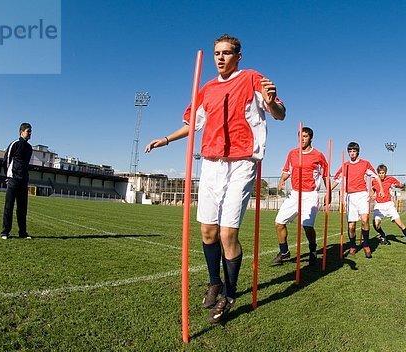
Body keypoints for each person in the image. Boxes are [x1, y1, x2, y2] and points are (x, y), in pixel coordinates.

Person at [145, 34, 285, 323]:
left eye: (226, 53)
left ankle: (230, 294)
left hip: (242, 162)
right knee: (207, 232)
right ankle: (214, 281)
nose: (220, 58)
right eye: (216, 53)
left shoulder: (252, 78)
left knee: (226, 233)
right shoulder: (206, 88)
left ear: (238, 56)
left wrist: (271, 103)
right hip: (210, 163)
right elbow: (192, 125)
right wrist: (166, 139)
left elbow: (280, 114)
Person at [272, 127, 328, 266]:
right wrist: (282, 180)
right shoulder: (292, 153)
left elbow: (326, 175)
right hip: (295, 194)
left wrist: (329, 193)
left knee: (307, 226)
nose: (302, 139)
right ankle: (284, 252)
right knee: (279, 223)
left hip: (310, 195)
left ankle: (313, 250)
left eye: (305, 136)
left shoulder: (318, 155)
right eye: (300, 136)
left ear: (311, 138)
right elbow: (287, 170)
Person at [331, 142, 384, 258]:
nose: (352, 153)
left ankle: (366, 244)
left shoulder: (365, 164)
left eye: (354, 151)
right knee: (351, 226)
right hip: (350, 197)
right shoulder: (345, 166)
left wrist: (381, 189)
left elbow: (376, 176)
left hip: (362, 195)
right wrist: (328, 192)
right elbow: (337, 180)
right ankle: (353, 245)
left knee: (365, 221)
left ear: (357, 152)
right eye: (350, 151)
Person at [371, 164, 406, 247]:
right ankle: (383, 235)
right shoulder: (374, 181)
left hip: (389, 205)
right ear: (378, 173)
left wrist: (401, 186)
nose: (381, 175)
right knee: (376, 225)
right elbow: (372, 190)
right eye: (380, 173)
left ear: (385, 173)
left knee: (400, 224)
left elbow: (400, 186)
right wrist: (372, 195)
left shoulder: (390, 179)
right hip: (379, 205)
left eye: (383, 173)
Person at [0, 122, 33, 240]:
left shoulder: (29, 148)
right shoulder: (15, 144)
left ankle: (22, 232)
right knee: (9, 207)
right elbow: (6, 161)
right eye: (28, 131)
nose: (30, 134)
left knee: (22, 209)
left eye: (31, 132)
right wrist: (8, 176)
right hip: (13, 179)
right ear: (21, 132)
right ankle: (5, 232)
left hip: (23, 181)